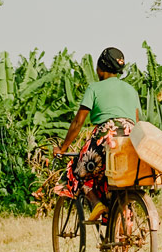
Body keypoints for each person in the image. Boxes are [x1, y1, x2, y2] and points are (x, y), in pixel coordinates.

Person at [55, 46, 142, 221]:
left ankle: (96, 203)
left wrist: (63, 148)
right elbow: (138, 122)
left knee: (75, 172)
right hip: (131, 140)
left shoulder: (94, 88)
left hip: (107, 136)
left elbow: (78, 122)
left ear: (100, 68)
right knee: (119, 182)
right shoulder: (131, 90)